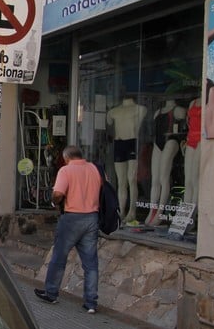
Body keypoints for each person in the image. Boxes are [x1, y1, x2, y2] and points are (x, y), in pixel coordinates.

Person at [34, 145, 101, 314]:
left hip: (72, 218)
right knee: (91, 263)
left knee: (59, 257)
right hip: (92, 217)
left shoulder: (66, 170)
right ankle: (91, 302)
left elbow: (58, 194)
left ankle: (51, 293)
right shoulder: (94, 168)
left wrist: (54, 201)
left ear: (66, 158)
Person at [145, 99, 186, 226]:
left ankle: (160, 212)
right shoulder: (158, 112)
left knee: (164, 178)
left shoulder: (178, 110)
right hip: (158, 142)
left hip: (171, 140)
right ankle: (152, 210)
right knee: (155, 179)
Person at [106, 97, 147, 223]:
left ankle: (132, 211)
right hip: (119, 143)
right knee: (121, 181)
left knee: (131, 179)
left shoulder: (140, 109)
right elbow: (109, 123)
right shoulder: (113, 111)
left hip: (132, 142)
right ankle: (122, 211)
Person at [183, 97, 201, 206]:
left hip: (201, 139)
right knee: (187, 179)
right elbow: (188, 121)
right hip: (190, 139)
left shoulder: (207, 100)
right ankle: (186, 209)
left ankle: (194, 210)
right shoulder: (192, 102)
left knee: (195, 177)